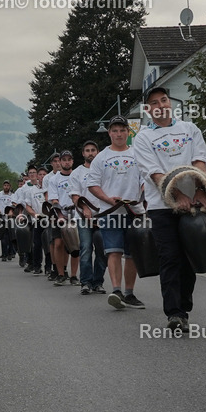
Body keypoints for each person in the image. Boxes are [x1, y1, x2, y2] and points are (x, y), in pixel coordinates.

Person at [133, 85, 206, 333]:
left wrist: (198, 190)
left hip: (192, 204)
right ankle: (174, 313)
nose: (160, 105)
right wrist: (177, 195)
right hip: (162, 207)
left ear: (170, 103)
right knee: (169, 257)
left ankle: (184, 306)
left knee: (189, 259)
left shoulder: (190, 129)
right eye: (154, 103)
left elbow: (200, 161)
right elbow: (154, 172)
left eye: (164, 100)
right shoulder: (143, 137)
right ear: (148, 109)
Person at [87, 116, 146, 310]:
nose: (119, 134)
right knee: (113, 251)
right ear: (109, 133)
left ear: (128, 133)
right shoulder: (101, 157)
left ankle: (129, 293)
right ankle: (116, 290)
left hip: (134, 211)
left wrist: (143, 193)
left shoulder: (138, 154)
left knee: (132, 254)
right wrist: (107, 199)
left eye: (122, 130)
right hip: (110, 212)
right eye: (115, 130)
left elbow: (146, 178)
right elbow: (93, 184)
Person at [70, 141, 107, 295]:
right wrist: (85, 208)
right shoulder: (76, 173)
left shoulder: (105, 170)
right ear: (83, 154)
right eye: (87, 151)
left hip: (103, 215)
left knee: (102, 251)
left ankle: (98, 282)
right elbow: (75, 196)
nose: (90, 153)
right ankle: (85, 282)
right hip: (83, 217)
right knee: (85, 249)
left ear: (98, 152)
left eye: (93, 150)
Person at [45, 150, 78, 286]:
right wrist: (60, 215)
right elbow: (53, 199)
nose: (66, 162)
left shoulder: (77, 176)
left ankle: (74, 276)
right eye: (63, 159)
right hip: (60, 212)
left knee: (75, 245)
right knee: (58, 243)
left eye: (69, 159)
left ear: (72, 161)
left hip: (76, 212)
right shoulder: (54, 179)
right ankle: (60, 273)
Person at [0, 180, 16, 261]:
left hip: (10, 218)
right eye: (5, 185)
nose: (6, 187)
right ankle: (4, 254)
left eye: (8, 185)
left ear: (10, 186)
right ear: (3, 186)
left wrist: (13, 210)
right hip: (1, 217)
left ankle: (10, 253)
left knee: (11, 236)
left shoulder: (13, 195)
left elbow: (16, 204)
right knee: (3, 237)